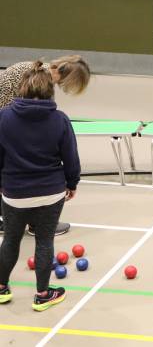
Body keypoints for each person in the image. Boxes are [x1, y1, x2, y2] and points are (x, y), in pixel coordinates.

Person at [0, 61, 80, 311]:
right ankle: (43, 295)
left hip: (14, 193)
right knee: (44, 242)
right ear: (50, 91)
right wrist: (72, 182)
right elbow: (71, 156)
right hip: (51, 191)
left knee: (11, 240)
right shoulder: (60, 119)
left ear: (22, 88)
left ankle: (1, 288)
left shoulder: (3, 117)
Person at [0, 55, 90, 236]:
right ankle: (22, 222)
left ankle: (28, 221)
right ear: (69, 77)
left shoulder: (41, 72)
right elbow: (23, 115)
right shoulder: (38, 77)